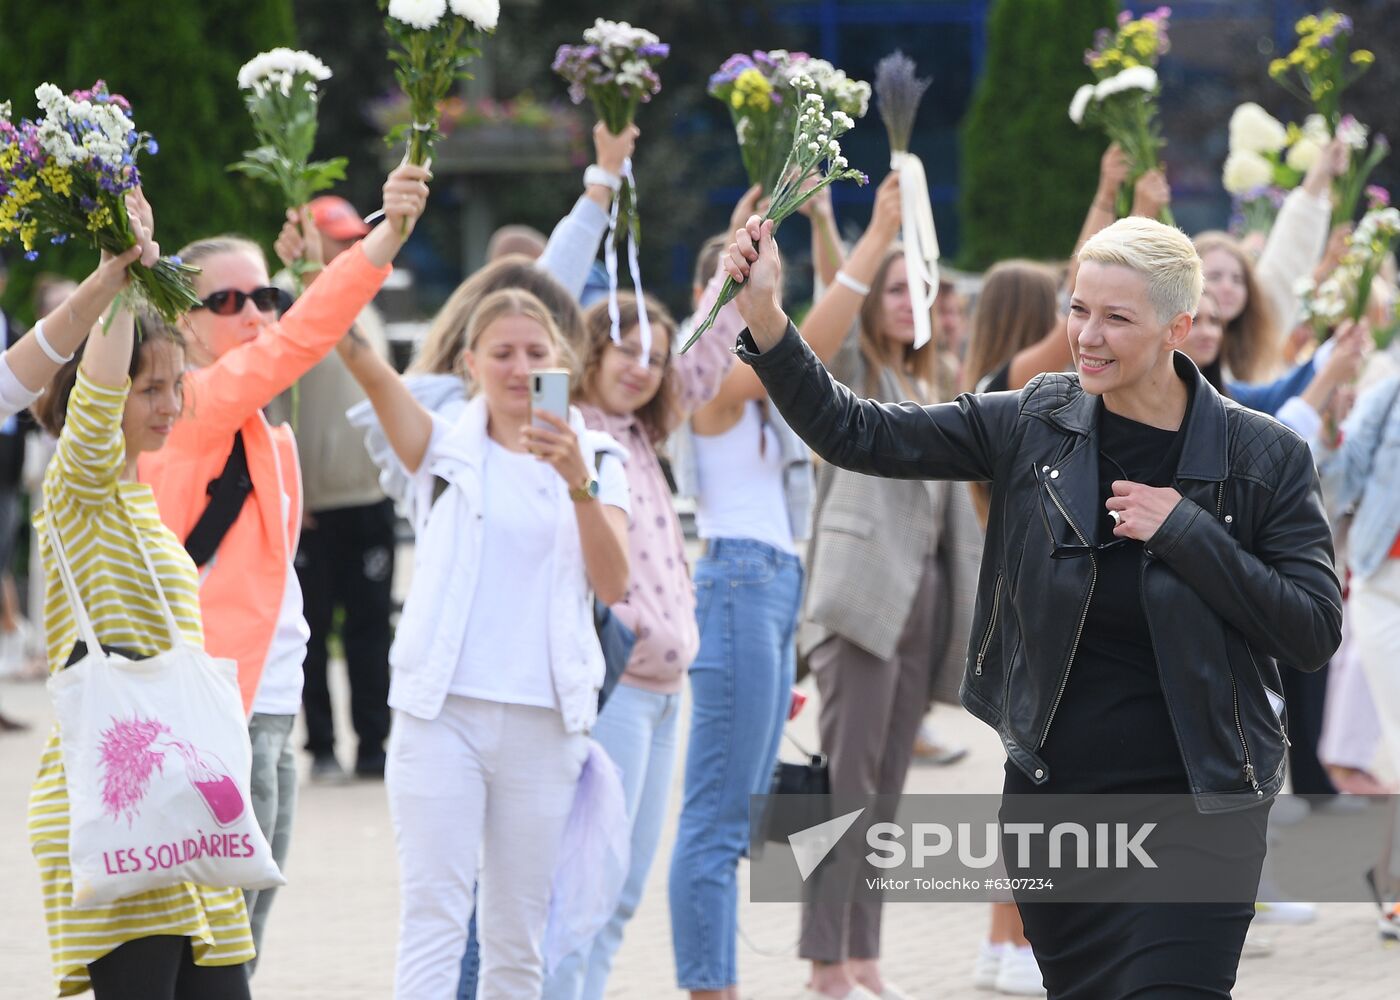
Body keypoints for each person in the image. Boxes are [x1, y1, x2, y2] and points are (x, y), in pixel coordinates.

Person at [725, 212, 1343, 999]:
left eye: (1116, 317)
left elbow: (1312, 629)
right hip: (1059, 808)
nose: (1087, 335)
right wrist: (768, 319)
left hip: (1203, 810)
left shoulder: (1264, 456)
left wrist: (1187, 531)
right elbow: (856, 433)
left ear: (1178, 328)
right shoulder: (1033, 421)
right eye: (1078, 309)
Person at [138, 163, 430, 971]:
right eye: (227, 301)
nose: (255, 314)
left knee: (244, 926)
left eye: (266, 296)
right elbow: (308, 334)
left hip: (265, 696)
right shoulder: (194, 405)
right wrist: (385, 238)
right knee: (221, 933)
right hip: (214, 706)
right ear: (180, 318)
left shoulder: (260, 427)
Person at [337, 285, 630, 998]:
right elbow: (365, 363)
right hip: (441, 716)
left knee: (515, 937)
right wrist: (326, 272)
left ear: (560, 363)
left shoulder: (598, 457)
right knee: (433, 919)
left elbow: (615, 581)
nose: (519, 368)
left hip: (544, 723)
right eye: (501, 353)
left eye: (535, 353)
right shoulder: (442, 449)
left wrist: (578, 482)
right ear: (470, 363)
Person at [29, 192, 256, 999]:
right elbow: (95, 402)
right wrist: (124, 274)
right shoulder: (78, 489)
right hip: (117, 799)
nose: (169, 405)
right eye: (149, 389)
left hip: (183, 800)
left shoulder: (138, 501)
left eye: (176, 386)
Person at [769, 171, 980, 1000]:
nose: (905, 301)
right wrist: (860, 231)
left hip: (925, 597)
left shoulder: (940, 377)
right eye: (893, 289)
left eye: (916, 289)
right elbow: (833, 302)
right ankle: (825, 964)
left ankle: (863, 954)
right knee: (843, 787)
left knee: (886, 794)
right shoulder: (854, 368)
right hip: (861, 597)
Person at [665, 180, 855, 1000]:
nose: (759, 294)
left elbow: (819, 349)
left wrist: (822, 224)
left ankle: (722, 979)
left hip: (774, 582)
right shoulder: (701, 377)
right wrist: (876, 240)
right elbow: (815, 337)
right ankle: (713, 988)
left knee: (745, 811)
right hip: (739, 581)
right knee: (715, 820)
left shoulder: (755, 387)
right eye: (744, 281)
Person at [544, 278, 737, 1000]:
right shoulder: (575, 432)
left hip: (664, 690)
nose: (642, 368)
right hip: (618, 684)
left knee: (620, 891)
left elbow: (705, 355)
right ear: (588, 353)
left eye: (653, 358)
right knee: (584, 887)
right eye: (624, 350)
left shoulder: (640, 437)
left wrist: (740, 274)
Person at [267, 193, 396, 783]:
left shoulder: (364, 294)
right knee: (310, 632)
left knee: (370, 628)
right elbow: (267, 398)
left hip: (367, 497)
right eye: (336, 240)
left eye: (352, 240)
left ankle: (373, 746)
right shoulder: (281, 300)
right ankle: (320, 745)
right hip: (311, 505)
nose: (348, 249)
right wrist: (287, 495)